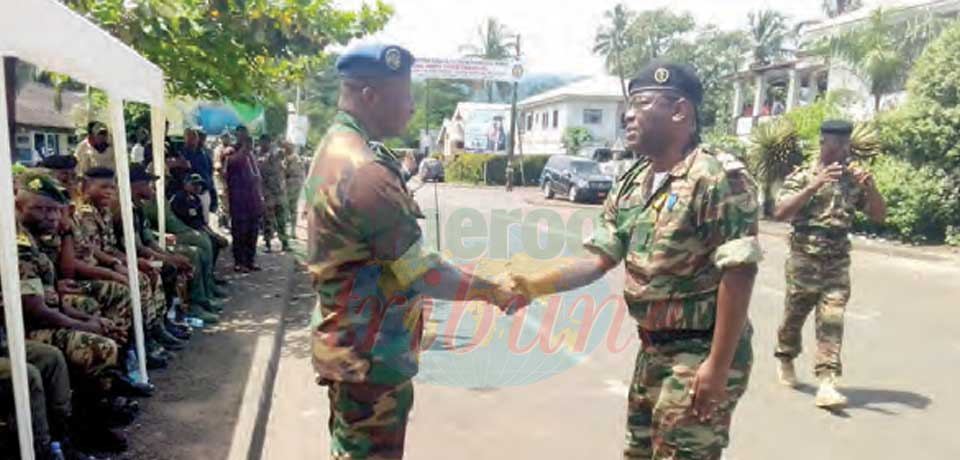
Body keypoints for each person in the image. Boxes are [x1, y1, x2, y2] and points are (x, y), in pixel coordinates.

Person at [508, 61, 761, 460]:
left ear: (680, 112)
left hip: (699, 351)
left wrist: (717, 365)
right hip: (652, 351)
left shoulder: (716, 177)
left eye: (642, 103)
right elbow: (598, 259)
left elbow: (739, 271)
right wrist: (533, 285)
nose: (628, 114)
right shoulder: (633, 182)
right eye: (629, 104)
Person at [306, 43, 519, 460]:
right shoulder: (365, 169)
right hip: (370, 354)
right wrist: (493, 290)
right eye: (404, 95)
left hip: (351, 342)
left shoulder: (337, 148)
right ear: (370, 96)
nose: (409, 107)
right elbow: (422, 273)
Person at [772, 119, 887, 409]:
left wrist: (870, 189)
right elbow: (780, 212)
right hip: (803, 259)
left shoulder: (853, 178)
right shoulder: (802, 176)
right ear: (824, 144)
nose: (843, 153)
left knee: (832, 319)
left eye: (846, 147)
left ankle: (827, 381)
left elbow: (879, 216)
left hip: (837, 261)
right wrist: (814, 185)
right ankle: (785, 355)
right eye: (837, 146)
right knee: (794, 316)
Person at [224, 125, 264, 273]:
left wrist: (260, 197)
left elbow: (257, 177)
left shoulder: (251, 154)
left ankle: (250, 260)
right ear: (237, 136)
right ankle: (239, 262)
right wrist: (244, 149)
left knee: (252, 231)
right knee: (240, 231)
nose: (246, 139)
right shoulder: (231, 151)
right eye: (242, 135)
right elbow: (234, 162)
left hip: (252, 198)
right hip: (239, 198)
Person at [170, 173, 230, 273]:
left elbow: (201, 222)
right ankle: (204, 273)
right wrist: (212, 235)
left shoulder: (196, 199)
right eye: (194, 184)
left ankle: (209, 273)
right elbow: (189, 221)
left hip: (196, 230)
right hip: (183, 231)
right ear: (186, 184)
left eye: (199, 184)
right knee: (211, 242)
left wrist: (214, 234)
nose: (197, 187)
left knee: (215, 242)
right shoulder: (180, 198)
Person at [255, 134, 288, 252]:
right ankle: (267, 243)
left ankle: (284, 242)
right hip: (266, 192)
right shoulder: (257, 155)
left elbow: (282, 154)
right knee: (267, 219)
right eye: (262, 142)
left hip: (278, 191)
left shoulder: (276, 153)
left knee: (281, 218)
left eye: (266, 142)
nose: (264, 144)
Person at [179, 128, 218, 225]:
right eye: (190, 137)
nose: (193, 140)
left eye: (194, 137)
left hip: (204, 192)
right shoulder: (182, 154)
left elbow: (209, 174)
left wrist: (213, 196)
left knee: (205, 222)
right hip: (190, 194)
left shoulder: (204, 153)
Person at [281, 142, 305, 237]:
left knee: (289, 209)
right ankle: (291, 231)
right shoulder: (294, 158)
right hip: (292, 184)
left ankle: (291, 231)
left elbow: (286, 171)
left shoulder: (291, 158)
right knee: (291, 209)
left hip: (291, 184)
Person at [213, 132, 233, 228]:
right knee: (223, 202)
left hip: (230, 180)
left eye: (228, 137)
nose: (227, 139)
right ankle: (223, 224)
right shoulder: (219, 150)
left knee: (229, 203)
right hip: (221, 179)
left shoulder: (231, 149)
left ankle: (227, 222)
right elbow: (218, 166)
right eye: (225, 138)